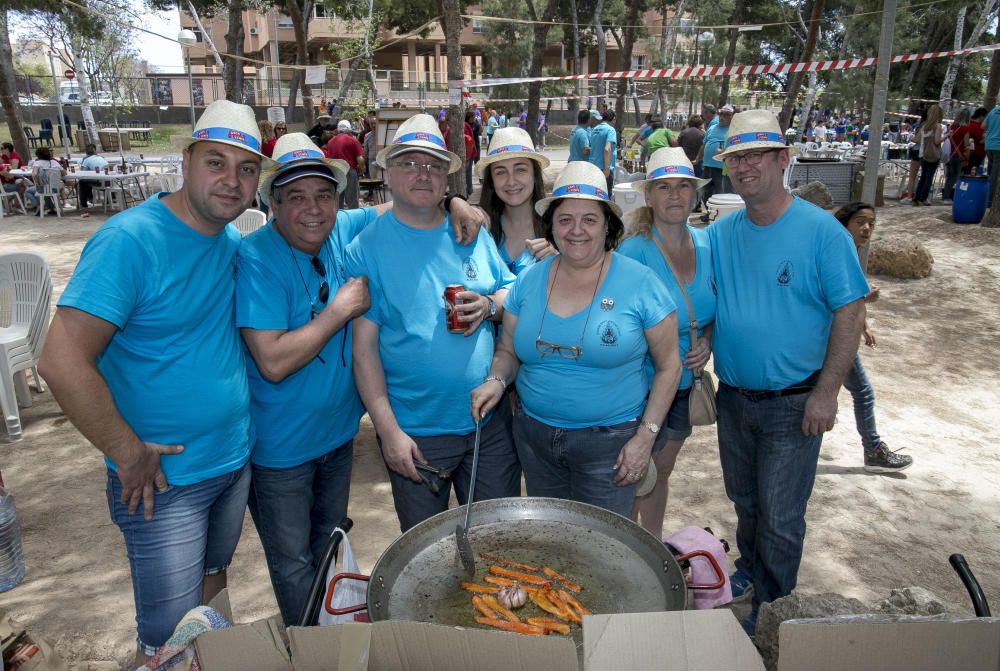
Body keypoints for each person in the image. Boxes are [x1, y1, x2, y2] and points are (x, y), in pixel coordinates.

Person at [37, 100, 270, 665]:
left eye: (245, 169)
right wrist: (125, 451)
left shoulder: (230, 244)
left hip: (230, 461)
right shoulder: (130, 241)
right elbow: (60, 360)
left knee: (211, 595)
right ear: (186, 161)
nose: (231, 180)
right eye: (216, 162)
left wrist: (458, 200)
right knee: (166, 640)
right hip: (165, 482)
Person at [708, 110, 869, 638]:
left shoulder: (821, 232)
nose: (745, 165)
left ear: (783, 159)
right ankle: (751, 572)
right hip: (734, 397)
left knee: (780, 514)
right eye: (736, 157)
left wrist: (827, 393)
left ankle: (774, 609)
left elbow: (851, 311)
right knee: (746, 501)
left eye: (757, 154)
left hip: (794, 402)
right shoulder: (723, 231)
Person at [469, 161, 681, 518]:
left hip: (612, 444)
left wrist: (645, 438)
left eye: (590, 219)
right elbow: (507, 350)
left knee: (605, 550)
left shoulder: (641, 283)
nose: (576, 230)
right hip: (535, 439)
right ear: (551, 225)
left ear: (608, 226)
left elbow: (670, 367)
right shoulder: (529, 281)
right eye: (565, 219)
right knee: (554, 543)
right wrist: (495, 380)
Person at [344, 113, 520, 532]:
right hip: (417, 432)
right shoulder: (366, 248)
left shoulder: (470, 231)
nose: (423, 174)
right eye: (409, 163)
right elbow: (363, 349)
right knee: (428, 552)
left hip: (489, 425)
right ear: (387, 172)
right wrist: (388, 432)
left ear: (447, 178)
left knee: (500, 539)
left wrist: (491, 304)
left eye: (434, 166)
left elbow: (515, 292)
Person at [618, 148, 715, 539]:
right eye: (663, 187)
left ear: (694, 194)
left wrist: (706, 342)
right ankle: (625, 549)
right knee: (634, 473)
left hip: (685, 387)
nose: (674, 195)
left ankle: (653, 546)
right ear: (648, 196)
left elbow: (713, 314)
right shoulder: (633, 251)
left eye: (682, 187)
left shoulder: (709, 245)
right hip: (640, 387)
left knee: (662, 471)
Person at [832, 202, 916, 473]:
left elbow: (851, 297)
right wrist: (866, 297)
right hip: (832, 337)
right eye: (860, 222)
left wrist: (864, 326)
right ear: (845, 224)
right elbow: (835, 298)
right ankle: (874, 450)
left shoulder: (850, 251)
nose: (867, 228)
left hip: (839, 334)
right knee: (862, 392)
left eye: (871, 223)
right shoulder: (838, 252)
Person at [476, 127, 557, 276]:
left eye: (520, 169)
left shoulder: (559, 229)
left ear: (535, 173)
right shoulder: (479, 228)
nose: (511, 181)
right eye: (500, 172)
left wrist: (562, 261)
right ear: (491, 180)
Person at [326, 119, 365, 209]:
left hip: (335, 171)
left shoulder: (330, 142)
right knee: (352, 199)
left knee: (338, 198)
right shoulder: (352, 140)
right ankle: (354, 220)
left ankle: (339, 219)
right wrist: (361, 170)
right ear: (349, 129)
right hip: (349, 170)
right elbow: (360, 159)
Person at [698, 104, 732, 201]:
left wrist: (723, 151)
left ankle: (719, 214)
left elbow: (736, 148)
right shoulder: (712, 127)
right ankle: (709, 214)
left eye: (726, 115)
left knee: (721, 193)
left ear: (731, 117)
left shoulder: (732, 130)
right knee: (704, 191)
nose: (722, 117)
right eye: (721, 114)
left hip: (721, 168)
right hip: (707, 166)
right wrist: (699, 159)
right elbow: (704, 144)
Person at [913, 104, 944, 207]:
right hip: (933, 154)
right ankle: (924, 198)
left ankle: (917, 198)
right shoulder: (937, 126)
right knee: (929, 178)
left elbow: (916, 139)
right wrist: (947, 136)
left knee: (923, 176)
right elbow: (937, 141)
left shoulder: (924, 125)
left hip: (923, 154)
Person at [942, 108, 970, 202]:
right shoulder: (965, 129)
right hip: (958, 155)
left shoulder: (951, 127)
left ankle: (945, 195)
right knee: (955, 177)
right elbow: (966, 144)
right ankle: (947, 197)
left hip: (948, 154)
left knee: (949, 177)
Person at [27, 146, 66, 213]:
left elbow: (35, 174)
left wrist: (37, 183)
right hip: (55, 187)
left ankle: (37, 205)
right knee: (46, 190)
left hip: (43, 188)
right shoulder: (54, 162)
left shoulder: (37, 163)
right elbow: (64, 173)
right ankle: (51, 208)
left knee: (28, 190)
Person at [588, 109, 618, 195]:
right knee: (605, 195)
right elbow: (607, 149)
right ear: (613, 119)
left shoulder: (594, 129)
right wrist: (607, 168)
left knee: (594, 194)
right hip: (604, 168)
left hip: (593, 167)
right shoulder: (610, 130)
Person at [77, 144, 108, 209]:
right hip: (109, 181)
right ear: (95, 151)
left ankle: (84, 203)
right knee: (87, 181)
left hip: (99, 182)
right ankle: (110, 198)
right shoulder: (101, 158)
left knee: (82, 181)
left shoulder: (86, 160)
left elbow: (82, 173)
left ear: (86, 152)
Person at [982, 101, 1000, 207]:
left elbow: (983, 126)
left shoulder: (993, 110)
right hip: (998, 146)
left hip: (989, 145)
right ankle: (990, 201)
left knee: (992, 172)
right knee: (995, 175)